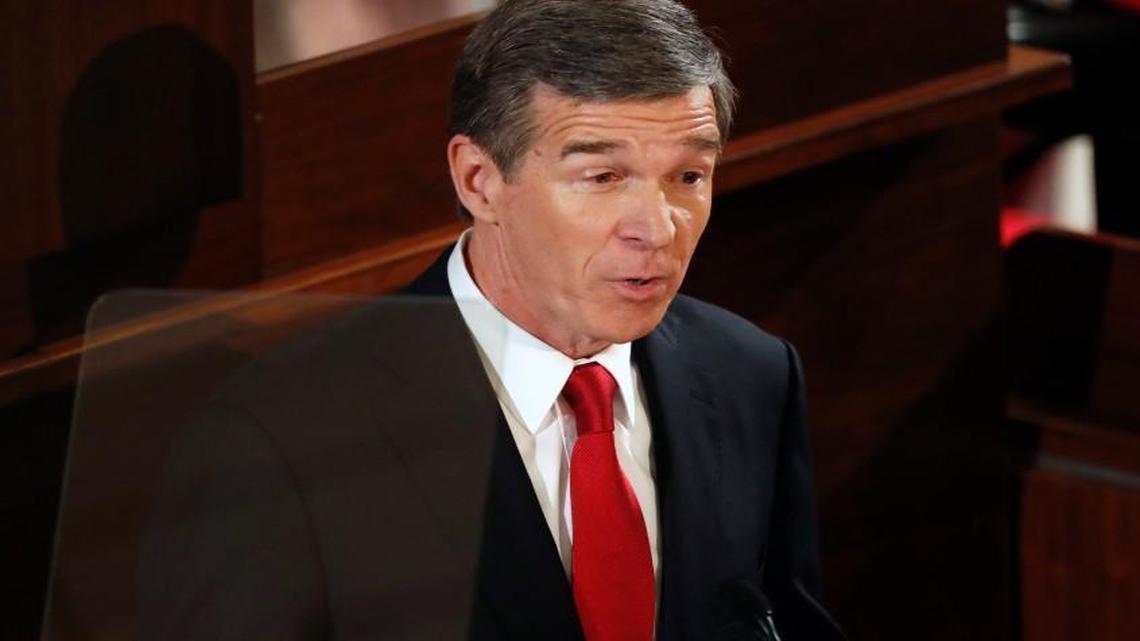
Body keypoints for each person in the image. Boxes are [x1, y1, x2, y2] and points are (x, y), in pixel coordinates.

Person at [139, 1, 845, 640]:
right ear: (479, 180)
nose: (658, 228)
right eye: (602, 177)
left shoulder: (750, 372)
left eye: (689, 177)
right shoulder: (284, 434)